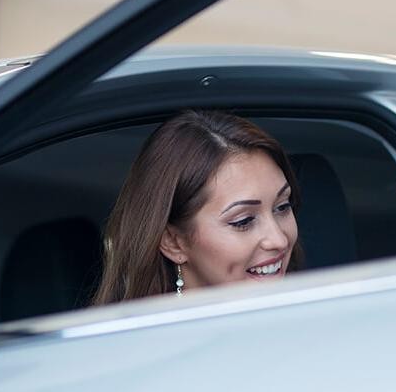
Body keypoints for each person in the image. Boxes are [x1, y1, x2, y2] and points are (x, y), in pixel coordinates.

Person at [92, 110, 303, 304]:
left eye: (282, 207)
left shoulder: (319, 319)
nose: (279, 240)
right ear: (173, 242)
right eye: (243, 221)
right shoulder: (145, 343)